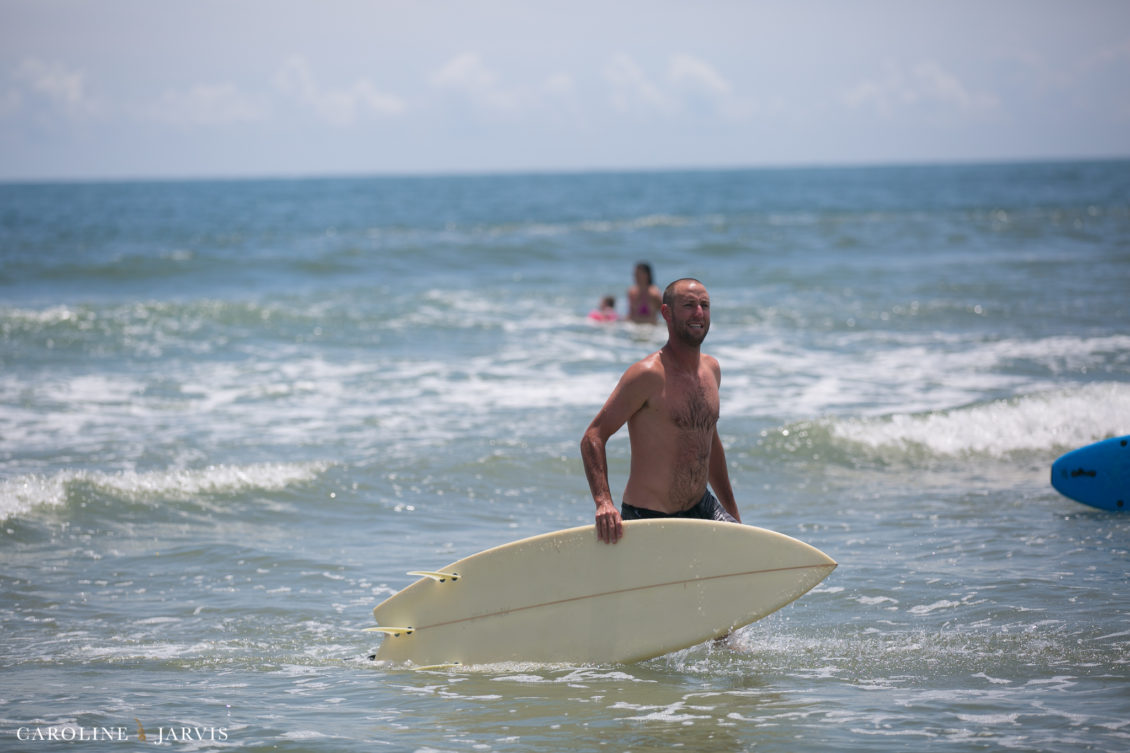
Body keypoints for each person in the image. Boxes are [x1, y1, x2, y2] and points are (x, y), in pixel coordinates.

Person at [580, 278, 741, 544]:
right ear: (666, 313)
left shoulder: (712, 370)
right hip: (650, 518)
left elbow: (708, 441)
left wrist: (733, 514)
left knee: (742, 566)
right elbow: (593, 437)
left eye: (704, 305)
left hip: (703, 508)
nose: (699, 313)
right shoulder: (647, 375)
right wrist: (604, 503)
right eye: (689, 305)